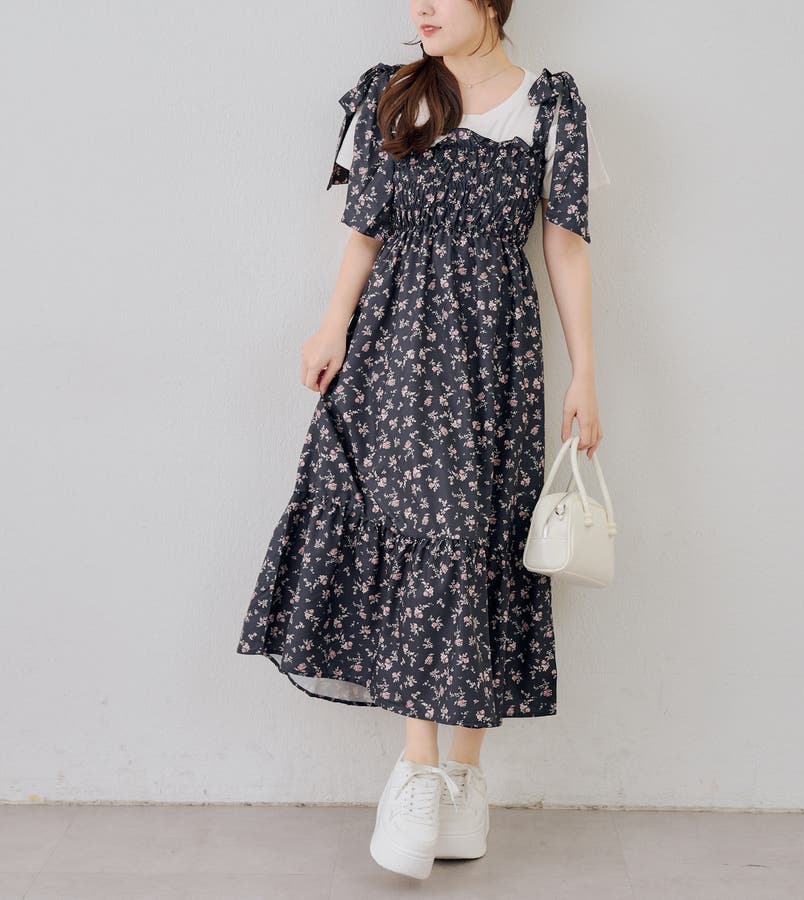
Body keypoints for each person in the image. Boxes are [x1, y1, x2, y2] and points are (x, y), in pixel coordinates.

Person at [236, 0, 610, 880]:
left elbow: (565, 246)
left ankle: (463, 780)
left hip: (494, 356)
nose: (422, 9)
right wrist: (332, 324)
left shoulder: (551, 105)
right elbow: (364, 229)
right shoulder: (392, 93)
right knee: (427, 532)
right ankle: (415, 772)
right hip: (392, 347)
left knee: (478, 542)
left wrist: (587, 372)